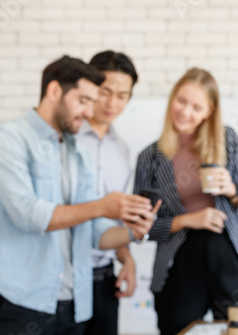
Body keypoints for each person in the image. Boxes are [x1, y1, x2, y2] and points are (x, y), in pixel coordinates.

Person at [0, 55, 160, 335]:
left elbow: (93, 231)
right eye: (84, 100)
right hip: (23, 301)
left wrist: (134, 233)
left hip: (74, 301)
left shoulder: (76, 153)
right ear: (54, 92)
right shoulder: (8, 141)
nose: (91, 111)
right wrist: (101, 206)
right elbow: (29, 215)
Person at [134, 68, 238, 335]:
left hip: (226, 255)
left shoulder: (227, 141)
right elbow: (141, 229)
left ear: (209, 111)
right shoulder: (150, 158)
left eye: (196, 106)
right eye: (181, 101)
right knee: (177, 327)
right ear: (172, 99)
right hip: (177, 261)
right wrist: (187, 220)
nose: (185, 111)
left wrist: (231, 190)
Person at [76, 50, 140, 335]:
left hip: (103, 280)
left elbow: (115, 220)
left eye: (122, 95)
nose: (112, 103)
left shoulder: (122, 151)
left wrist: (125, 258)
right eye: (105, 91)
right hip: (61, 277)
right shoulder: (63, 140)